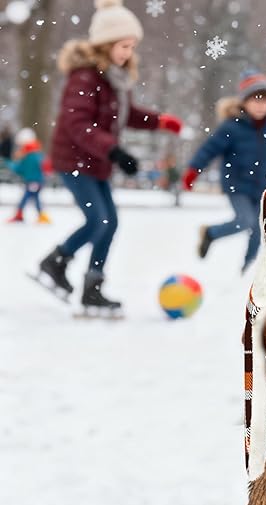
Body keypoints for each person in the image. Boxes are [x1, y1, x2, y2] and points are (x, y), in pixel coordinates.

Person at [38, 0, 182, 310]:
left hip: (96, 162)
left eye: (132, 46)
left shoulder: (115, 78)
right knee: (98, 220)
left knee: (110, 222)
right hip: (74, 160)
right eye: (123, 45)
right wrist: (114, 150)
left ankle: (92, 285)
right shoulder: (84, 78)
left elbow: (126, 114)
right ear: (105, 43)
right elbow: (78, 124)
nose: (128, 52)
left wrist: (158, 121)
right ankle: (56, 261)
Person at [181, 69, 266, 272]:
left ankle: (248, 268)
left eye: (265, 101)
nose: (261, 105)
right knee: (244, 221)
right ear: (244, 101)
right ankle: (211, 233)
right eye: (256, 100)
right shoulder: (232, 127)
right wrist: (194, 170)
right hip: (236, 184)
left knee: (258, 229)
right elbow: (209, 149)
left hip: (259, 186)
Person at [4, 128, 50, 223]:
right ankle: (40, 215)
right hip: (35, 181)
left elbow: (21, 169)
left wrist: (9, 163)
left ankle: (21, 214)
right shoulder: (35, 154)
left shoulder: (30, 155)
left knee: (27, 198)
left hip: (33, 181)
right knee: (34, 198)